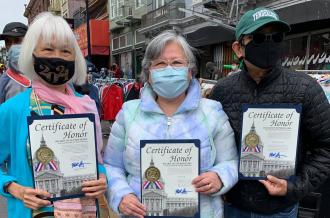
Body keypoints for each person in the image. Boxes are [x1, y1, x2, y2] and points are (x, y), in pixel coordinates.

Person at [210, 7, 330, 217]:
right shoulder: (222, 91)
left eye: (276, 37)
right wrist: (218, 180)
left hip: (280, 208)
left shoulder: (305, 88)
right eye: (258, 38)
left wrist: (294, 188)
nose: (268, 44)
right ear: (238, 48)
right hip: (233, 206)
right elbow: (212, 146)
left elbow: (326, 148)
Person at [103, 30, 238, 218]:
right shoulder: (128, 113)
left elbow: (230, 161)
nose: (169, 69)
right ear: (148, 74)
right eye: (160, 64)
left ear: (190, 72)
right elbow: (111, 165)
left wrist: (220, 177)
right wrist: (122, 196)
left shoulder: (212, 112)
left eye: (176, 63)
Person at [0, 12, 107, 217]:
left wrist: (102, 178)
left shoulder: (87, 106)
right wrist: (14, 189)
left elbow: (97, 162)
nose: (57, 57)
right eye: (48, 49)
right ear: (32, 54)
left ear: (75, 57)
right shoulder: (12, 110)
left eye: (65, 51)